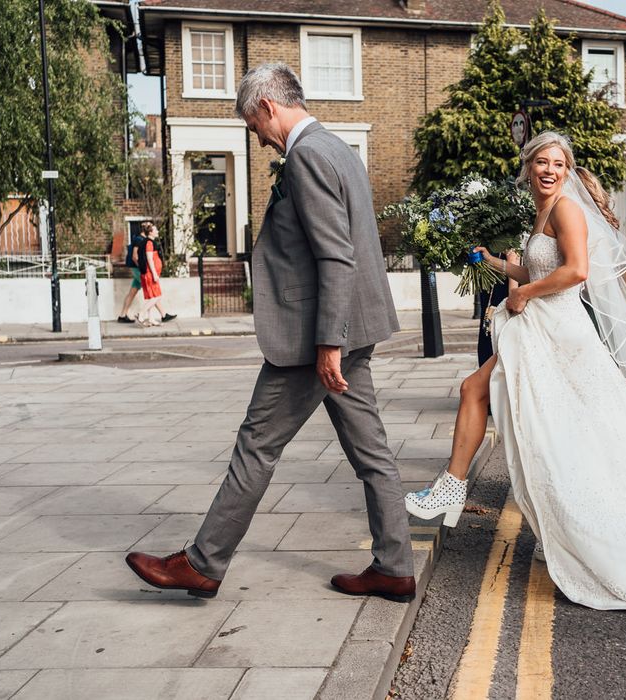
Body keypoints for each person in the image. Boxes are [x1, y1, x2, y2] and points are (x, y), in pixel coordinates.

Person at [406, 131, 626, 611]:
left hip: (557, 331)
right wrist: (496, 264)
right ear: (527, 167)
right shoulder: (543, 212)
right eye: (542, 162)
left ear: (567, 172)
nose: (550, 170)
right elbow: (539, 269)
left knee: (570, 431)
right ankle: (451, 490)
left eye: (559, 164)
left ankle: (456, 492)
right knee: (498, 402)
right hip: (541, 328)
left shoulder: (566, 209)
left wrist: (524, 294)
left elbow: (576, 271)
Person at [125, 63, 415, 602]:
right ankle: (394, 566)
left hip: (316, 338)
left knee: (256, 445)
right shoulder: (340, 149)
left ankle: (203, 563)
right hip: (351, 327)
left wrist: (327, 341)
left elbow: (336, 253)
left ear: (267, 107)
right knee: (371, 452)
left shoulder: (306, 156)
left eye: (254, 127)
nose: (259, 141)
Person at [135, 222, 176, 326]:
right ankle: (141, 313)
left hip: (147, 274)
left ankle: (151, 319)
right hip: (149, 274)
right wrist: (154, 274)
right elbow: (150, 259)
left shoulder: (146, 242)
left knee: (151, 297)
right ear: (151, 232)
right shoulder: (149, 243)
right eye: (156, 230)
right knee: (156, 297)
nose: (157, 231)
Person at [117, 226, 145, 323]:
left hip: (136, 269)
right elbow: (134, 256)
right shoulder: (139, 240)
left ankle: (122, 315)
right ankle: (162, 314)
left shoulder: (140, 239)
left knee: (132, 293)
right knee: (151, 291)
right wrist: (141, 267)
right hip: (137, 269)